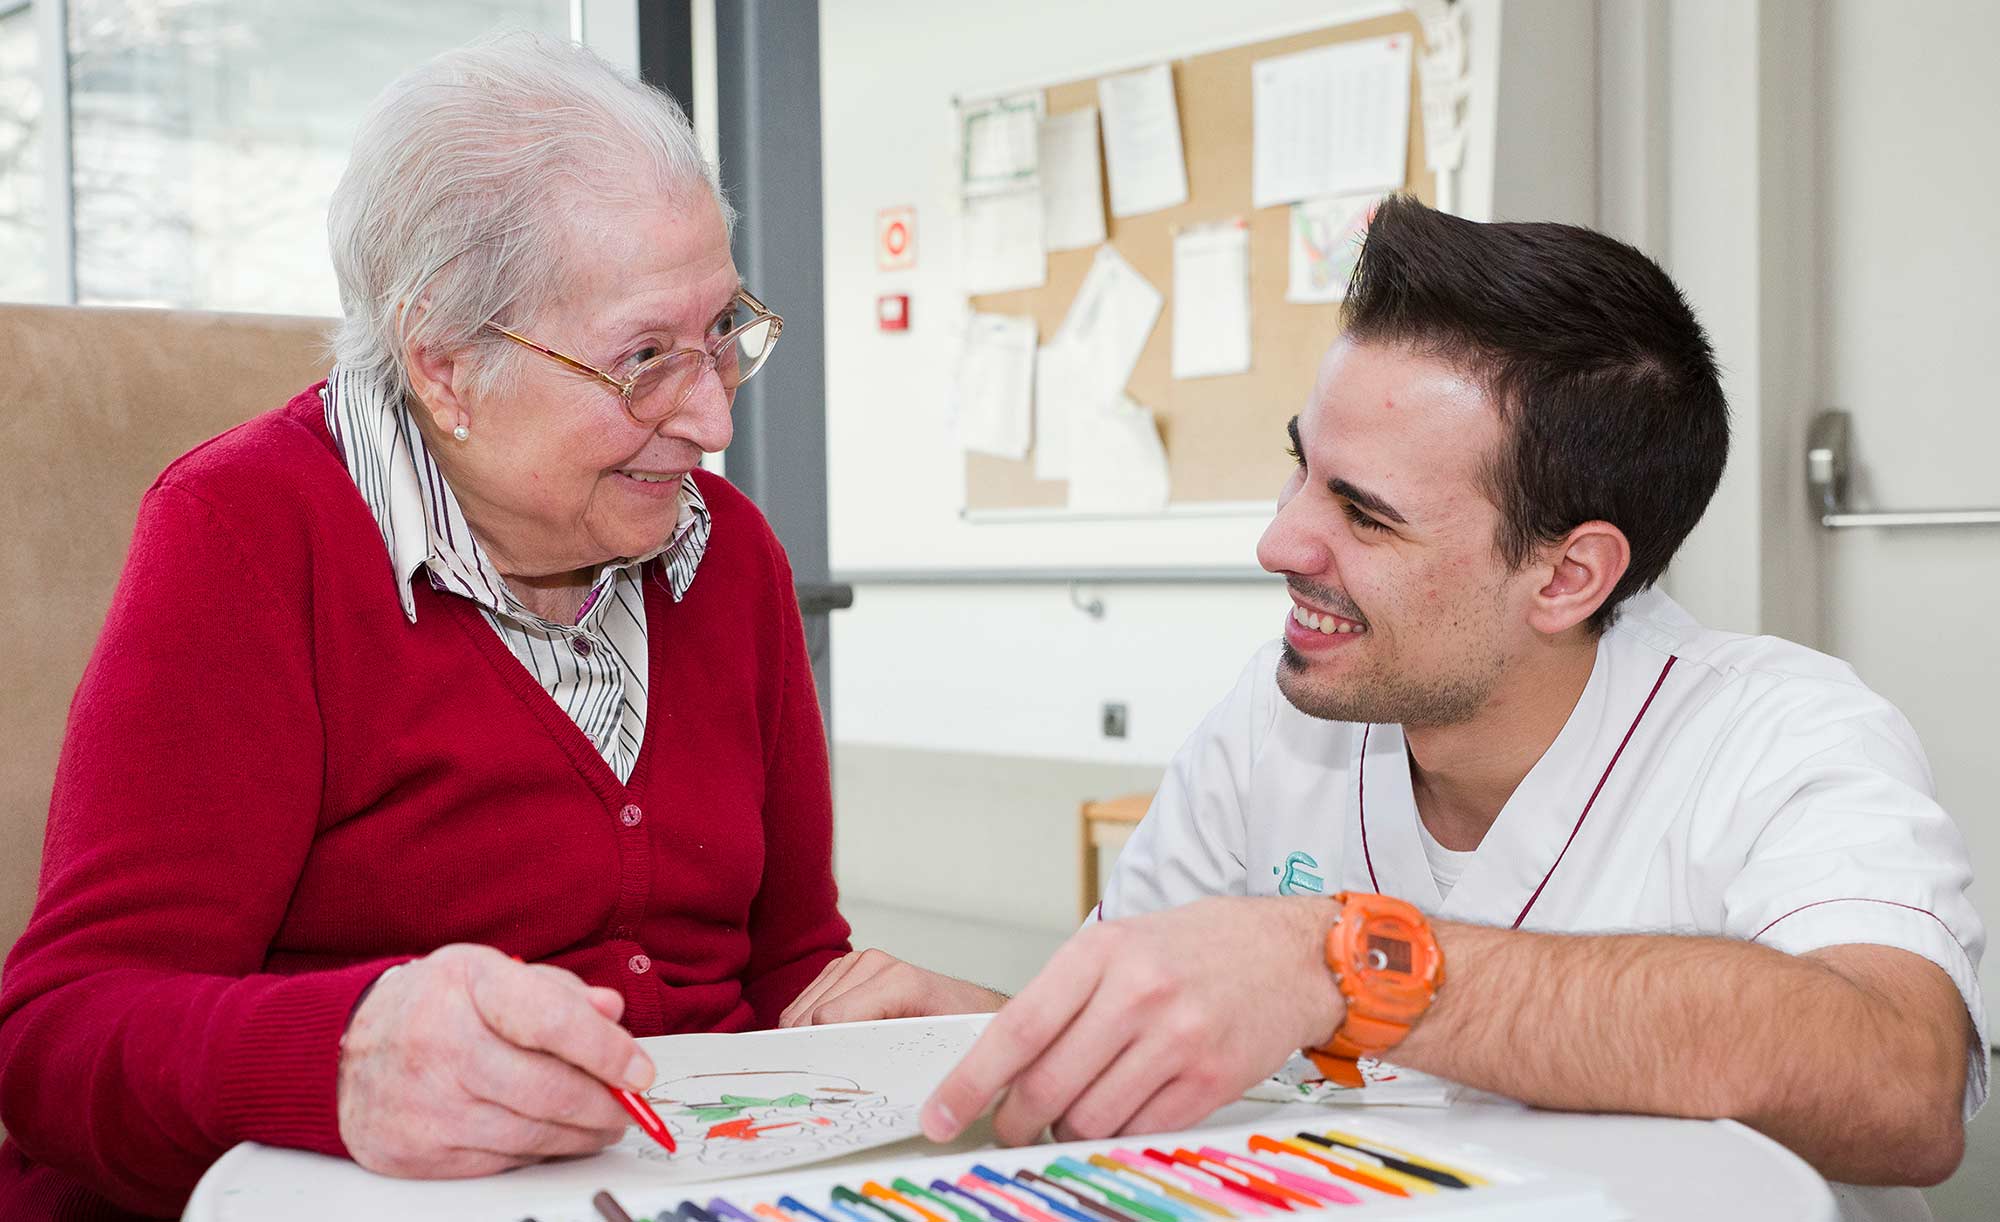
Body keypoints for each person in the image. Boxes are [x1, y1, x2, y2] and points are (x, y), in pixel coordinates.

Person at [801, 198, 1986, 1222]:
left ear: (1565, 576)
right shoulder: (1273, 727)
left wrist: (1348, 965)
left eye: (1362, 514)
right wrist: (992, 1033)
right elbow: (1200, 1038)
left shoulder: (1777, 735)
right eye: (1296, 464)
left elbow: (1904, 1084)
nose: (1277, 540)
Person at [0, 34, 982, 1219]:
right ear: (445, 366)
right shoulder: (249, 532)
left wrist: (895, 1025)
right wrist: (341, 1059)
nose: (714, 418)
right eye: (644, 359)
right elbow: (59, 1036)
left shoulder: (729, 558)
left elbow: (782, 965)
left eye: (723, 330)